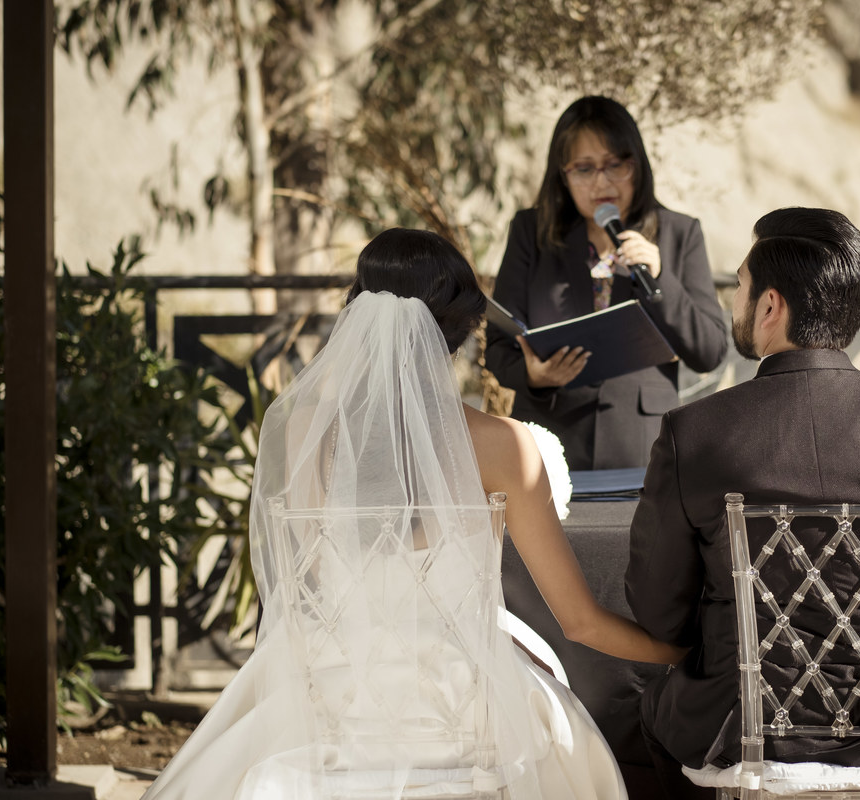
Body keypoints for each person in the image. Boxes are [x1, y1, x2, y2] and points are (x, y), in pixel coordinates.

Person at [142, 228, 686, 800]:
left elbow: (313, 585)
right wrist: (680, 649)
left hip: (334, 695)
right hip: (459, 704)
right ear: (456, 333)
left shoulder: (306, 431)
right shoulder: (505, 446)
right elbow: (581, 623)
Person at [623, 208, 860, 799]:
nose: (733, 304)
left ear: (771, 307)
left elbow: (658, 612)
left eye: (740, 289)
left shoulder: (693, 431)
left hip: (742, 732)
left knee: (645, 711)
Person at [485, 95, 728, 470]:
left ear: (637, 166)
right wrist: (532, 375)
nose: (602, 181)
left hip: (642, 445)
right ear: (562, 175)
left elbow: (709, 351)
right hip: (549, 437)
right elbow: (499, 345)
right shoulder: (530, 231)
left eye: (616, 165)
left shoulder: (679, 233)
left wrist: (661, 279)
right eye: (584, 169)